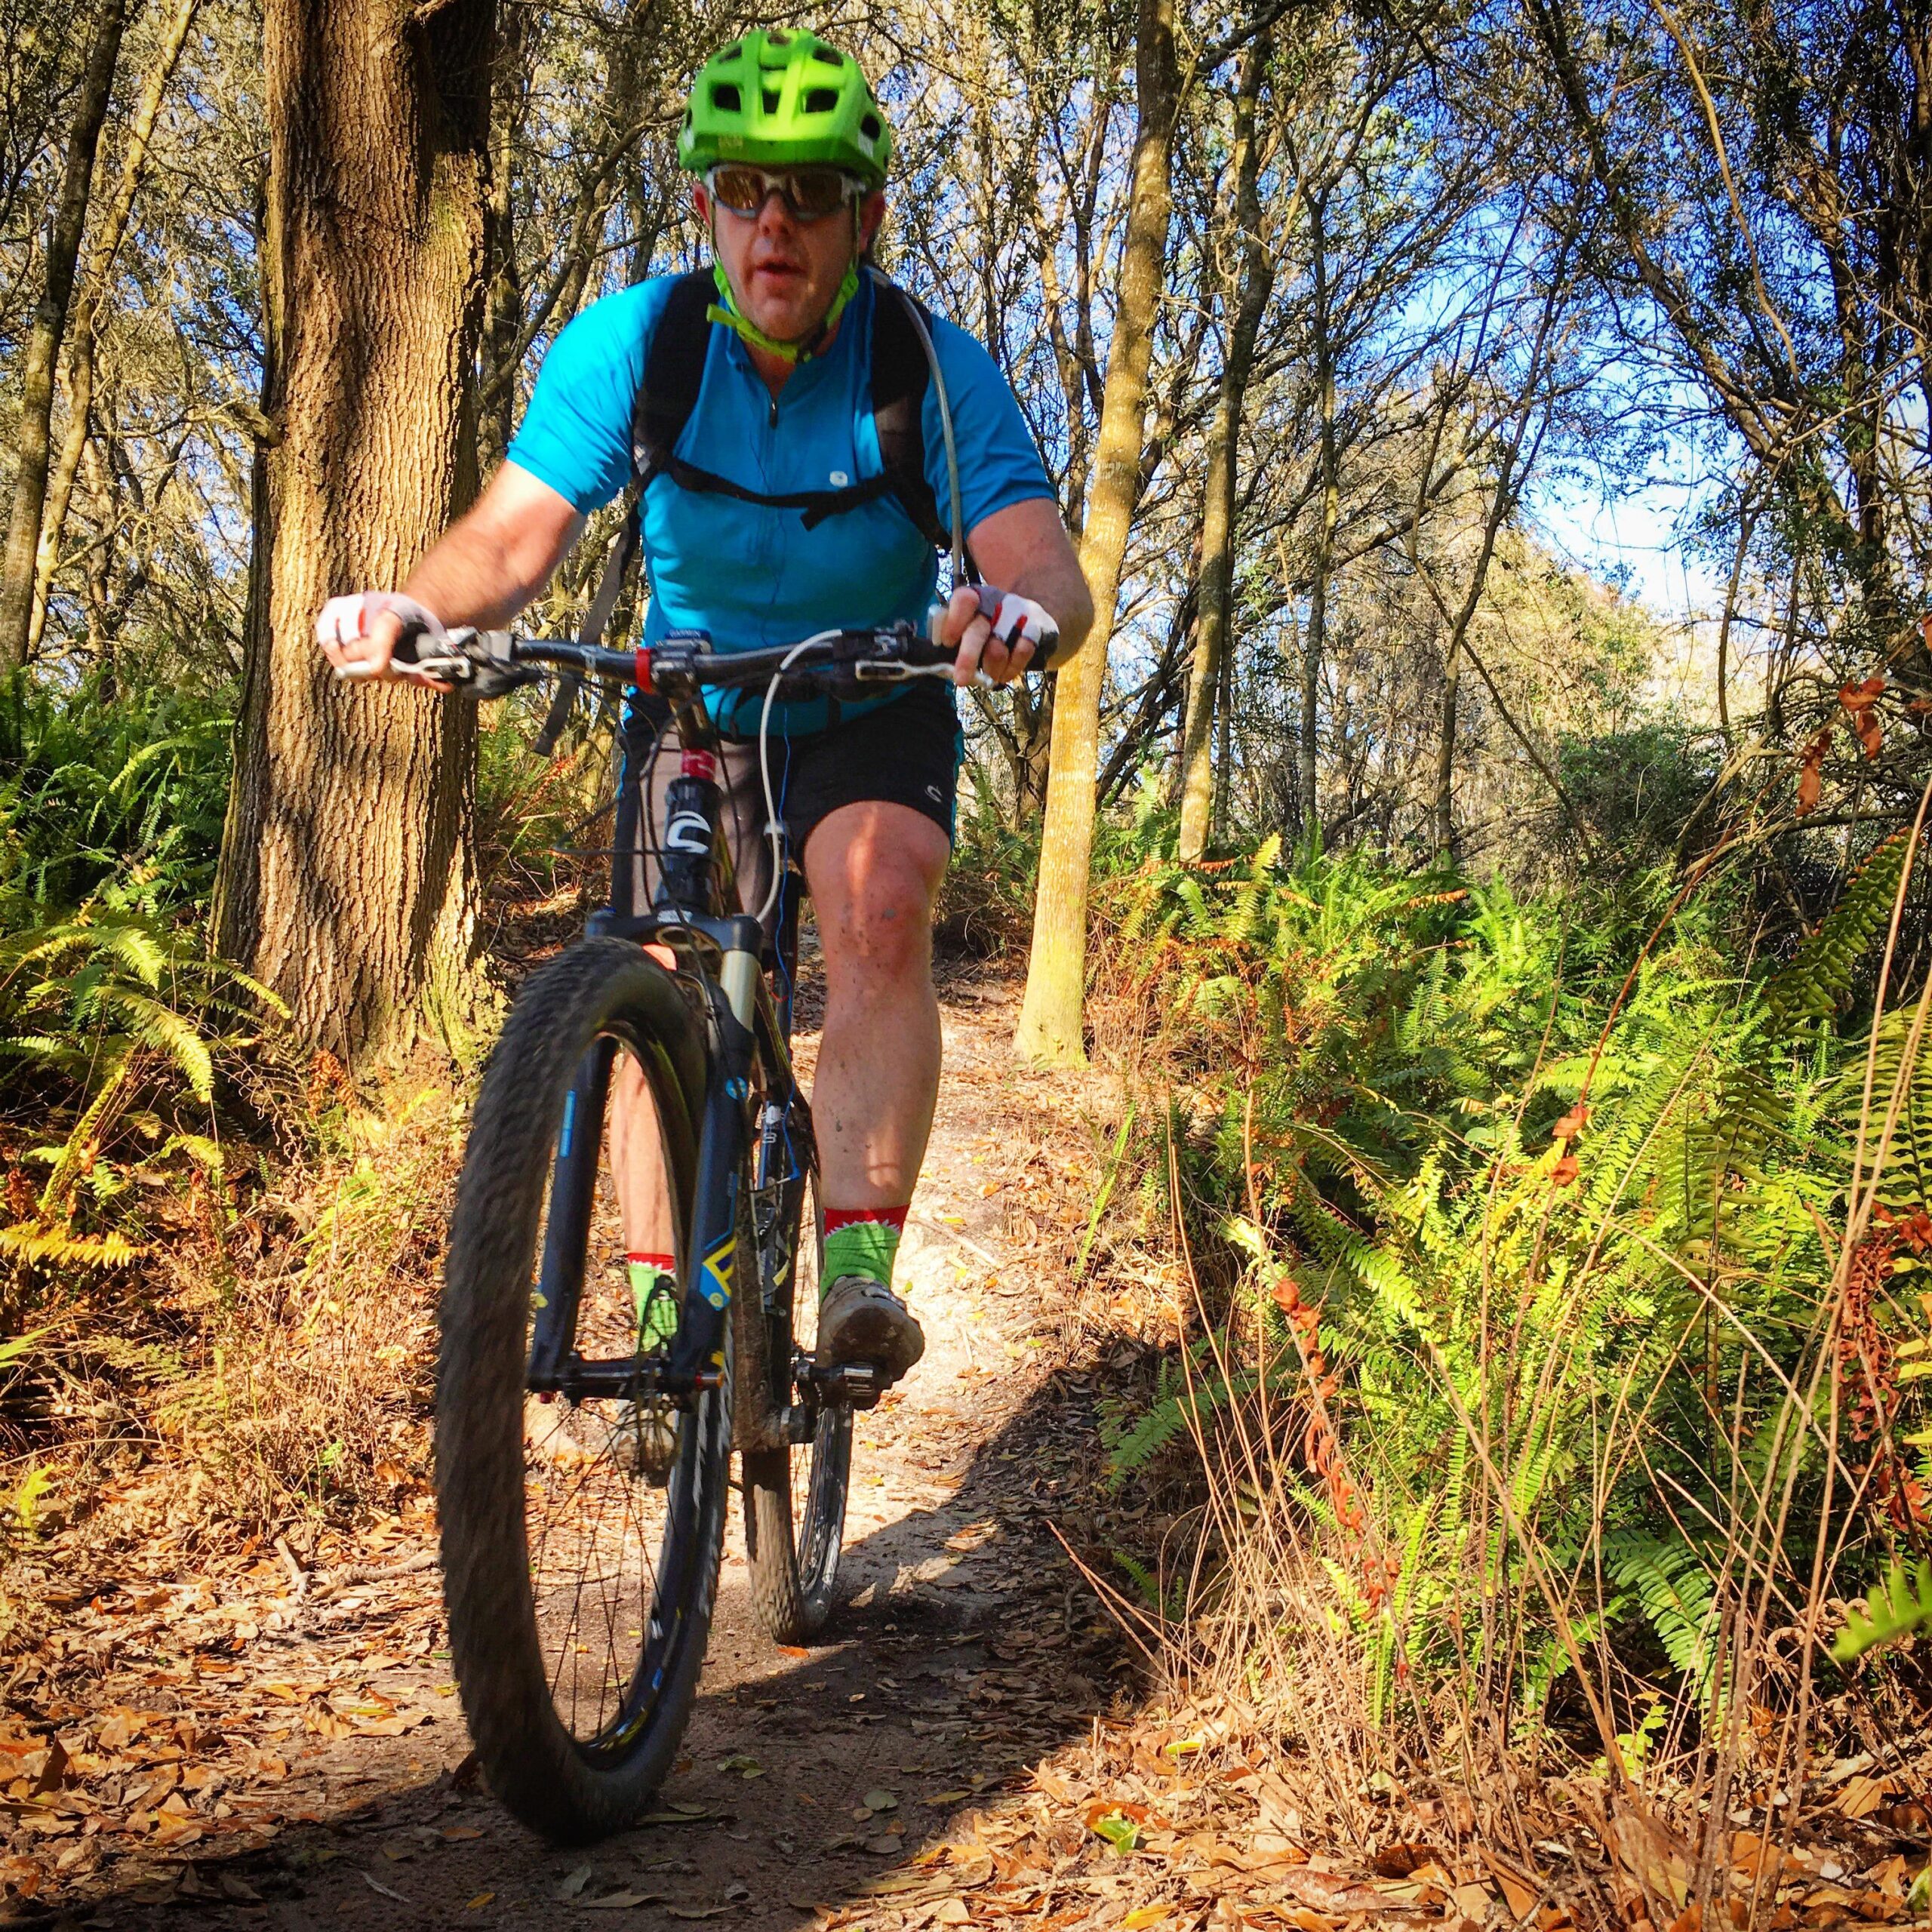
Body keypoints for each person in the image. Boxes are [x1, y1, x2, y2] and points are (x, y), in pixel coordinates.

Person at [315, 29, 1093, 1389]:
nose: (774, 223)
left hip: (869, 693)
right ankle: (674, 1318)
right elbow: (507, 541)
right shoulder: (638, 344)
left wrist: (1022, 616)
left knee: (878, 904)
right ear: (704, 208)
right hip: (691, 703)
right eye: (744, 189)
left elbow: (1041, 565)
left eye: (808, 193)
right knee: (651, 980)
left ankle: (857, 1270)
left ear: (868, 214)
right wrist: (414, 612)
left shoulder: (927, 366)